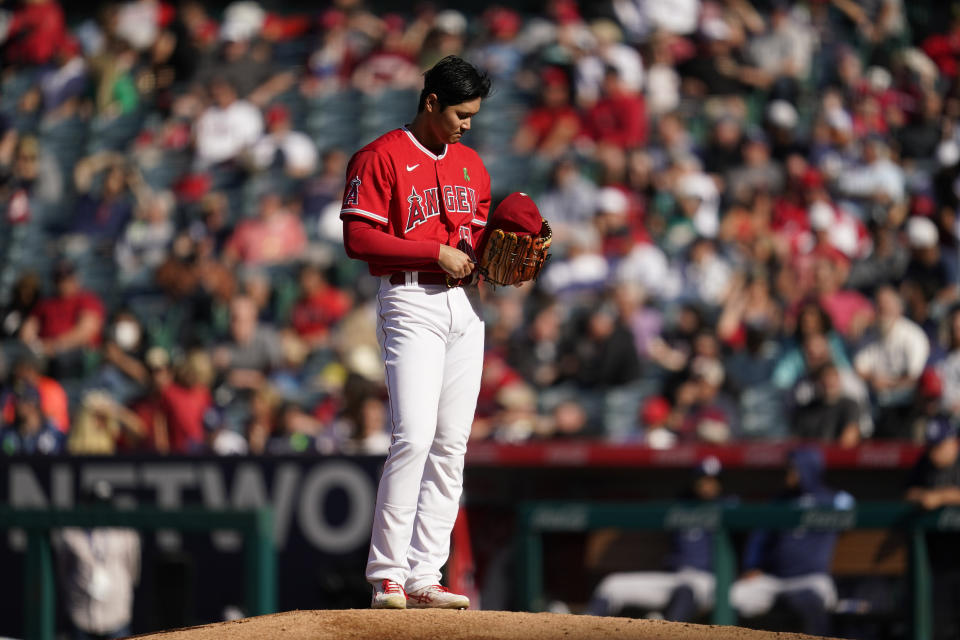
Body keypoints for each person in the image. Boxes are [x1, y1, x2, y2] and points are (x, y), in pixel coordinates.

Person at [340, 55, 491, 610]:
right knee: (414, 436)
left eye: (473, 114)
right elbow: (360, 240)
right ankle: (388, 575)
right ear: (431, 102)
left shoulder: (472, 164)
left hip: (464, 307)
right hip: (409, 299)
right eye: (460, 113)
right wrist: (434, 251)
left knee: (452, 445)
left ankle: (427, 574)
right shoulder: (380, 156)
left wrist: (493, 263)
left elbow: (471, 241)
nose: (467, 123)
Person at [730, 448, 854, 636]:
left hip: (811, 579)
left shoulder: (833, 499)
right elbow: (760, 537)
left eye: (793, 469)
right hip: (774, 579)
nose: (788, 473)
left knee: (813, 601)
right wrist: (752, 565)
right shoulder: (780, 501)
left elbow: (851, 508)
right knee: (731, 598)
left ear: (808, 469)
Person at [588, 456, 729, 621]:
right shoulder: (679, 506)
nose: (708, 485)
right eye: (703, 479)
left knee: (687, 589)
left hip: (709, 582)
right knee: (612, 584)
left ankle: (666, 630)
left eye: (714, 480)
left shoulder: (729, 508)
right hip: (673, 577)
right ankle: (580, 629)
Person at [52, 480, 140, 640]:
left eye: (104, 504)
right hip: (82, 615)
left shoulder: (126, 535)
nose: (99, 510)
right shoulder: (71, 535)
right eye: (94, 504)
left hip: (116, 616)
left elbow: (133, 572)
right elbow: (64, 572)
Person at [905, 415, 960, 640]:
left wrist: (940, 497)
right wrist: (922, 496)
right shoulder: (924, 463)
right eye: (931, 445)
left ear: (954, 441)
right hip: (937, 560)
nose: (934, 451)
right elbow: (908, 492)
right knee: (939, 626)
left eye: (940, 445)